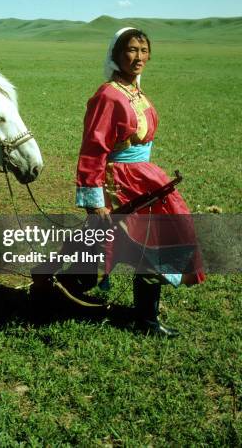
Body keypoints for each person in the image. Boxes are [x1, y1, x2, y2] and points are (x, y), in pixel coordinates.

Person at [75, 27, 205, 337]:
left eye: (144, 50)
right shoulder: (108, 95)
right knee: (149, 246)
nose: (139, 56)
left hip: (144, 178)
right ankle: (145, 319)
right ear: (116, 54)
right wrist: (95, 202)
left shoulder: (134, 90)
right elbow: (94, 149)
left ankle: (145, 314)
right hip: (121, 182)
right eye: (132, 50)